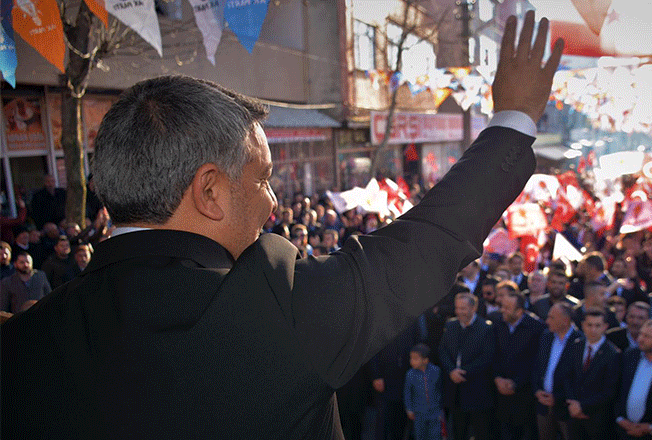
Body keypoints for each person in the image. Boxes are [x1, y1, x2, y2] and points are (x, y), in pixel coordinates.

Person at [0, 12, 565, 438]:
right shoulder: (274, 303)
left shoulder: (26, 340)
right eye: (264, 178)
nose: (273, 202)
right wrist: (514, 118)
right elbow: (430, 241)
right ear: (211, 191)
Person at [439, 292, 496, 440]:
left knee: (481, 431)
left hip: (476, 391)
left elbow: (486, 358)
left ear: (474, 308)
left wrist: (464, 373)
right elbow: (443, 350)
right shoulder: (450, 325)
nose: (459, 312)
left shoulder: (486, 328)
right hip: (455, 391)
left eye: (463, 308)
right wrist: (451, 370)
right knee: (458, 431)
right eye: (457, 308)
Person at [493, 291, 546, 440]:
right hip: (502, 394)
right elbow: (494, 354)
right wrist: (497, 378)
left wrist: (516, 382)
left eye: (507, 308)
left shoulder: (536, 328)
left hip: (525, 396)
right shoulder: (498, 324)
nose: (503, 310)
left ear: (519, 311)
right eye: (502, 307)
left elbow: (536, 362)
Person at [565, 307, 621, 440]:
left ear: (605, 327)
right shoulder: (576, 346)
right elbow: (567, 377)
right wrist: (573, 404)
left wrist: (583, 407)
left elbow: (610, 391)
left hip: (597, 421)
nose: (593, 329)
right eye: (589, 325)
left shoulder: (613, 354)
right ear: (583, 325)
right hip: (573, 417)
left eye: (598, 325)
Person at [533, 302, 583, 440]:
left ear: (565, 320)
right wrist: (537, 390)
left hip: (565, 410)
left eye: (552, 317)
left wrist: (558, 398)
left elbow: (577, 378)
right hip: (543, 406)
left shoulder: (579, 341)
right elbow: (538, 366)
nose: (547, 321)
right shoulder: (546, 337)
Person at [405, 343, 443, 440]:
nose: (412, 361)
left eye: (415, 359)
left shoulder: (436, 371)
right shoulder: (410, 374)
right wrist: (409, 408)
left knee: (435, 435)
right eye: (411, 358)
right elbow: (407, 393)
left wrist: (440, 407)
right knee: (420, 435)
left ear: (425, 360)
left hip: (435, 411)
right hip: (419, 412)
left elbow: (440, 389)